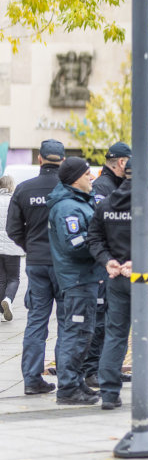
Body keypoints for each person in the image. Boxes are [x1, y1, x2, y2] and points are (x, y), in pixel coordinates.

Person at [88, 159, 148, 411]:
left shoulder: (106, 204)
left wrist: (109, 262)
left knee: (115, 334)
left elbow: (94, 238)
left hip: (117, 278)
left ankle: (108, 393)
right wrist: (135, 262)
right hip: (144, 278)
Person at [6, 139, 65, 395]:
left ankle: (31, 379)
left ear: (40, 159)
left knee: (36, 321)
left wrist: (30, 246)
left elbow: (12, 229)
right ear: (62, 160)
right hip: (65, 265)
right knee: (67, 321)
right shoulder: (69, 188)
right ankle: (67, 375)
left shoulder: (24, 189)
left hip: (37, 263)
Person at [46, 157, 101, 405]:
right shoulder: (68, 208)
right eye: (88, 173)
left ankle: (76, 381)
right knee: (76, 333)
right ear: (76, 178)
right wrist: (103, 243)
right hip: (78, 278)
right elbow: (74, 244)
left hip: (85, 277)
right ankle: (67, 388)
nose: (91, 177)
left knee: (83, 332)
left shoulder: (77, 202)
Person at [84, 140, 130, 388]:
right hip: (106, 266)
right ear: (121, 163)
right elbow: (98, 229)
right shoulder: (103, 187)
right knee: (101, 321)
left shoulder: (117, 185)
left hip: (118, 265)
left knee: (116, 320)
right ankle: (92, 369)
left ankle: (110, 367)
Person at [0, 175, 25, 322]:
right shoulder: (15, 201)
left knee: (1, 279)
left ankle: (2, 309)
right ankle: (8, 300)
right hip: (12, 246)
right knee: (14, 278)